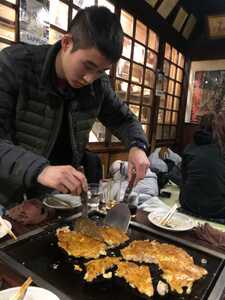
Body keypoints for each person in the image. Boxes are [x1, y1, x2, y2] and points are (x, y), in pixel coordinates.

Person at [0, 6, 149, 207]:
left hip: (52, 197)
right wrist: (40, 170)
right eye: (88, 66)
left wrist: (137, 146)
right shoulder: (14, 64)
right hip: (6, 194)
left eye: (101, 71)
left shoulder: (98, 85)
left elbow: (124, 119)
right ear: (67, 42)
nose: (90, 78)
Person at [180, 111, 225, 219]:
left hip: (187, 204)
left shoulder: (190, 148)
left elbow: (183, 179)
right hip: (218, 210)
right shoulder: (221, 148)